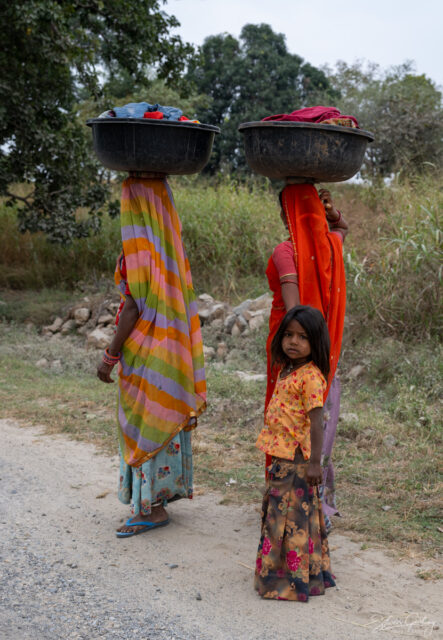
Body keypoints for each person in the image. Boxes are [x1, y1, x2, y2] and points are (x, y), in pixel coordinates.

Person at [97, 174, 206, 538]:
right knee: (163, 414)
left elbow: (131, 308)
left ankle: (152, 508)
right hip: (171, 349)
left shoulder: (137, 252)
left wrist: (110, 355)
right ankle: (158, 497)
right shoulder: (169, 246)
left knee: (145, 423)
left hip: (145, 353)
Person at [265, 183, 348, 528]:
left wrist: (287, 348)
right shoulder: (329, 244)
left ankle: (285, 500)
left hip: (292, 350)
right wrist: (334, 217)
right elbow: (341, 230)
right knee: (318, 420)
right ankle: (316, 502)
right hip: (322, 347)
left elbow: (295, 311)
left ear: (288, 214)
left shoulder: (287, 251)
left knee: (287, 421)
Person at [255, 305, 336, 601]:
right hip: (281, 460)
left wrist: (316, 463)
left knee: (292, 523)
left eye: (302, 337)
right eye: (288, 335)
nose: (293, 342)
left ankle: (290, 582)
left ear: (315, 341)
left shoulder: (311, 377)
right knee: (280, 519)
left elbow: (317, 422)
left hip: (298, 463)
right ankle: (283, 577)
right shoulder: (288, 369)